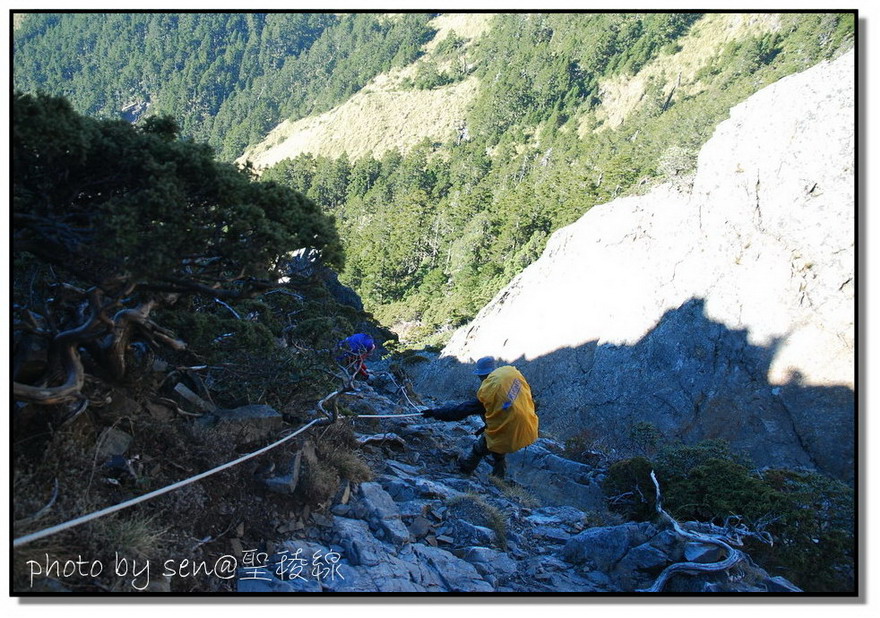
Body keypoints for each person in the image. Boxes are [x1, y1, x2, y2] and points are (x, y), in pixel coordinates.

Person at [421, 356, 539, 479]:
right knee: (498, 449)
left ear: (482, 375)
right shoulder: (509, 375)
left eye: (480, 376)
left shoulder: (489, 392)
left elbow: (460, 411)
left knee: (480, 448)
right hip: (529, 427)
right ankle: (499, 477)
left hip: (508, 430)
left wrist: (435, 413)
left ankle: (466, 469)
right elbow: (511, 403)